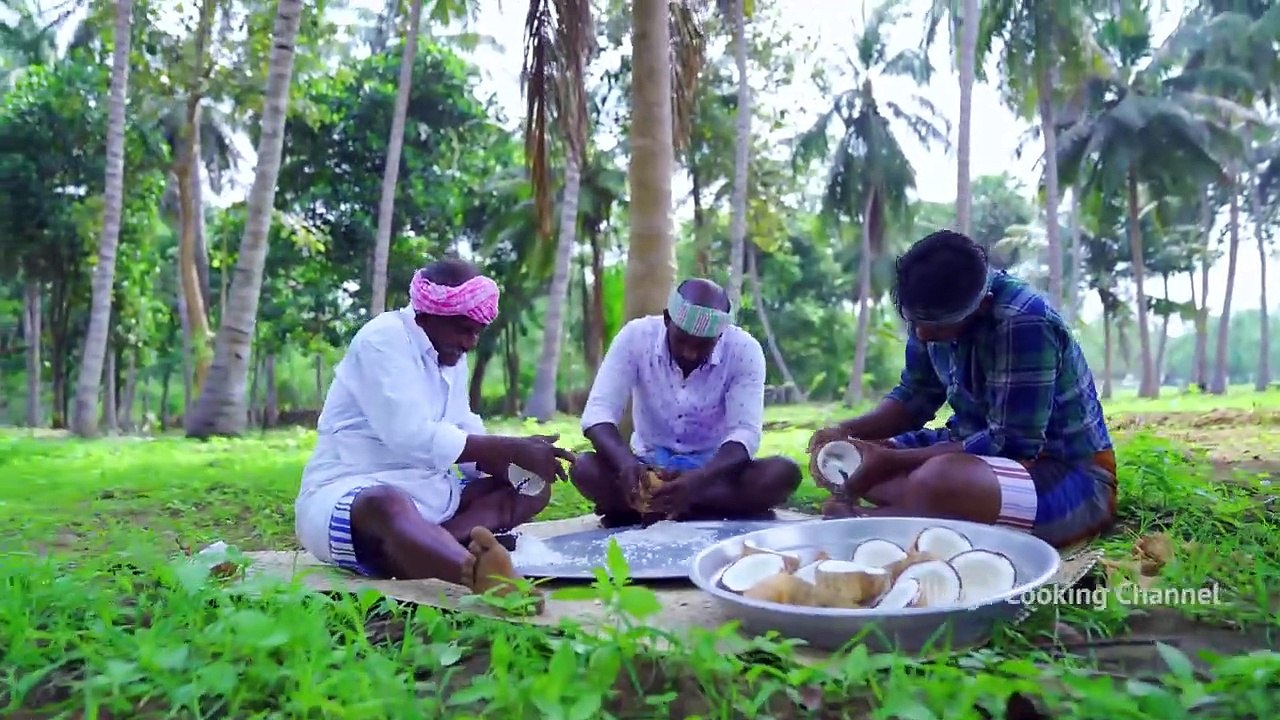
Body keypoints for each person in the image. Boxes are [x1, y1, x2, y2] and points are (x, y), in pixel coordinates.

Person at [294, 258, 575, 612]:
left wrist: (511, 466)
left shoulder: (450, 354)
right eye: (463, 329)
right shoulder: (383, 339)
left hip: (431, 500)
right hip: (353, 494)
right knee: (388, 504)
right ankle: (477, 574)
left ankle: (423, 551)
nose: (471, 342)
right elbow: (408, 436)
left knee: (529, 488)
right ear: (428, 314)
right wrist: (506, 449)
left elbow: (462, 424)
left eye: (477, 332)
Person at [808, 230, 1117, 549]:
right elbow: (915, 396)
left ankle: (873, 522)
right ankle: (924, 508)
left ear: (982, 306)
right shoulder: (929, 311)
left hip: (1064, 476)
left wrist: (891, 461)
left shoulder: (1023, 321)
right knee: (849, 459)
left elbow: (1013, 444)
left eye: (936, 326)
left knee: (939, 479)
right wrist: (846, 431)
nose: (923, 335)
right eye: (915, 322)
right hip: (967, 450)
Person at [571, 277, 802, 527]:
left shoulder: (744, 350)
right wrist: (626, 464)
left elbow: (745, 432)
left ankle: (649, 508)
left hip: (714, 472)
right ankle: (693, 506)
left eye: (703, 345)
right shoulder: (635, 337)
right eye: (681, 340)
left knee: (782, 473)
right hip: (646, 465)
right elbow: (598, 413)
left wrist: (699, 479)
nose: (690, 352)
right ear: (667, 319)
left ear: (720, 335)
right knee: (584, 468)